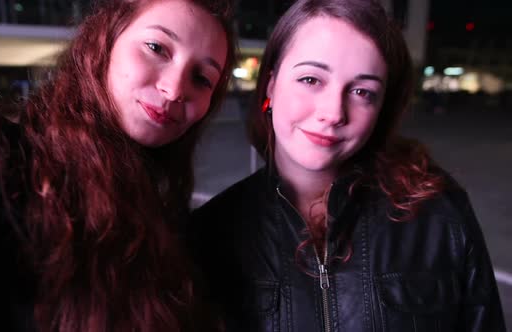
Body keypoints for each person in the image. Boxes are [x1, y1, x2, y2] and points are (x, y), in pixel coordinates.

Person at [189, 0, 506, 331]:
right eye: (311, 79)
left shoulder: (439, 214)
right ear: (270, 83)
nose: (334, 113)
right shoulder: (210, 234)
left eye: (361, 92)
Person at [0, 0, 236, 331]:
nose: (174, 89)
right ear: (103, 43)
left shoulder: (163, 212)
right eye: (156, 48)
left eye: (201, 78)